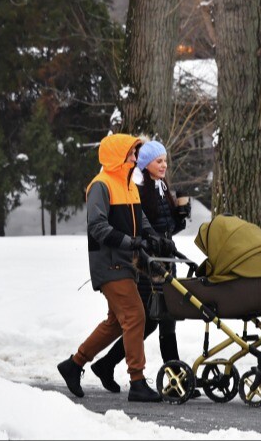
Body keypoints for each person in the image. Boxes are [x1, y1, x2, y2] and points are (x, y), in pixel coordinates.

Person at [57, 133, 174, 402]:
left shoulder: (128, 184)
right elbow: (97, 227)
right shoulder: (101, 185)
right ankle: (137, 381)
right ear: (119, 156)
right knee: (135, 316)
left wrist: (152, 236)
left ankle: (74, 364)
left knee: (115, 323)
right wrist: (129, 242)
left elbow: (139, 217)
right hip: (108, 262)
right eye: (132, 153)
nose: (136, 158)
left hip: (125, 262)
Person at [88, 139, 200, 397]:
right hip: (147, 263)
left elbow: (166, 228)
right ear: (146, 164)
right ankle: (170, 377)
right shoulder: (138, 188)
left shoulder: (160, 187)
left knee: (161, 318)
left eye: (165, 161)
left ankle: (112, 365)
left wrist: (180, 216)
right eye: (158, 161)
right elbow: (141, 226)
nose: (164, 165)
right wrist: (151, 242)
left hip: (165, 258)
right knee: (150, 319)